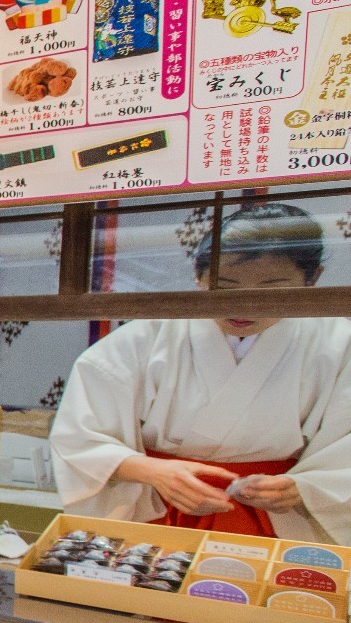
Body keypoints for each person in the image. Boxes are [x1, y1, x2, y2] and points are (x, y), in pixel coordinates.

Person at [50, 202, 351, 541]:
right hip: (158, 508)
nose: (244, 306)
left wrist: (305, 487)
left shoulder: (338, 343)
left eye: (272, 288)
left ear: (312, 280)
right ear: (198, 274)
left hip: (276, 518)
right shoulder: (147, 337)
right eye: (225, 287)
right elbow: (78, 437)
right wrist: (153, 470)